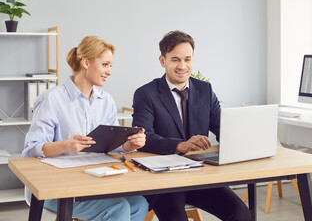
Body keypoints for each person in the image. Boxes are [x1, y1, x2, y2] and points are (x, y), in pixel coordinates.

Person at [22, 36, 149, 221]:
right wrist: (65, 145)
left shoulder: (106, 101)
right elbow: (31, 149)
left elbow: (110, 144)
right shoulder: (52, 99)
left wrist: (129, 145)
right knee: (118, 208)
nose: (109, 71)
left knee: (139, 204)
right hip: (56, 187)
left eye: (110, 66)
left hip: (96, 179)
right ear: (86, 62)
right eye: (105, 64)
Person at [132, 30, 252, 221]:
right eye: (175, 59)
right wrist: (180, 145)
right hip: (164, 181)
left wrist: (244, 140)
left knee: (241, 214)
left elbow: (222, 127)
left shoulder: (205, 90)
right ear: (162, 61)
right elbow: (143, 139)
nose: (182, 66)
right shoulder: (146, 94)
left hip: (199, 176)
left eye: (188, 59)